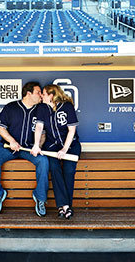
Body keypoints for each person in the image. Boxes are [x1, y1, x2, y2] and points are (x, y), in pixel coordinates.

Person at [0, 81, 48, 217]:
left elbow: (43, 134)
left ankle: (40, 198)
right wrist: (12, 141)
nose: (41, 96)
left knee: (43, 162)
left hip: (29, 149)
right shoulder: (11, 107)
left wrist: (39, 147)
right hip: (8, 147)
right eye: (38, 92)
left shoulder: (41, 109)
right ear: (28, 93)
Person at [31, 84, 81, 219]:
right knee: (54, 168)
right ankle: (64, 207)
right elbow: (39, 127)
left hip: (71, 145)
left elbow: (72, 130)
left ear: (51, 96)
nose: (41, 96)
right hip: (51, 146)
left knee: (69, 171)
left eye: (44, 94)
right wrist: (36, 145)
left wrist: (65, 149)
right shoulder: (42, 108)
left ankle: (64, 206)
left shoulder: (67, 106)